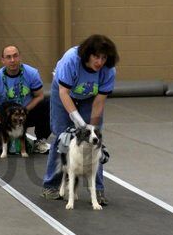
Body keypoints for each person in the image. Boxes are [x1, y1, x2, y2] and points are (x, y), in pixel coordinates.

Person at [41, 34, 119, 206]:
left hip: (89, 98)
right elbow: (63, 93)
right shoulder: (71, 60)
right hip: (64, 93)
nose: (100, 62)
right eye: (96, 57)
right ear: (87, 55)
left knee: (95, 140)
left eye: (104, 58)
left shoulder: (108, 71)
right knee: (62, 136)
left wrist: (91, 127)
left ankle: (97, 189)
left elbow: (99, 102)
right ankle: (51, 185)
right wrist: (77, 120)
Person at [0, 45, 50, 153]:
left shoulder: (32, 73)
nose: (12, 60)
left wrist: (25, 110)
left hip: (27, 113)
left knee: (48, 104)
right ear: (3, 60)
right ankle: (5, 141)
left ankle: (40, 141)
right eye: (8, 57)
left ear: (20, 57)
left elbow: (40, 96)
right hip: (9, 117)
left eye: (15, 56)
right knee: (7, 150)